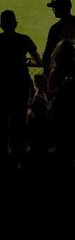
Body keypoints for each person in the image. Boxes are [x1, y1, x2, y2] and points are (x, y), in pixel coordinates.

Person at [0, 9, 41, 162]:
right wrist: (25, 61)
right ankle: (19, 151)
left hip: (3, 86)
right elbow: (37, 59)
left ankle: (5, 152)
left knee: (4, 119)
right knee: (20, 119)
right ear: (16, 23)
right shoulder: (24, 39)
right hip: (20, 84)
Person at [41, 0, 75, 73]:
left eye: (54, 8)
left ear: (60, 9)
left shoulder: (55, 28)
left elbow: (48, 50)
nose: (53, 10)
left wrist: (46, 69)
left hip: (63, 68)